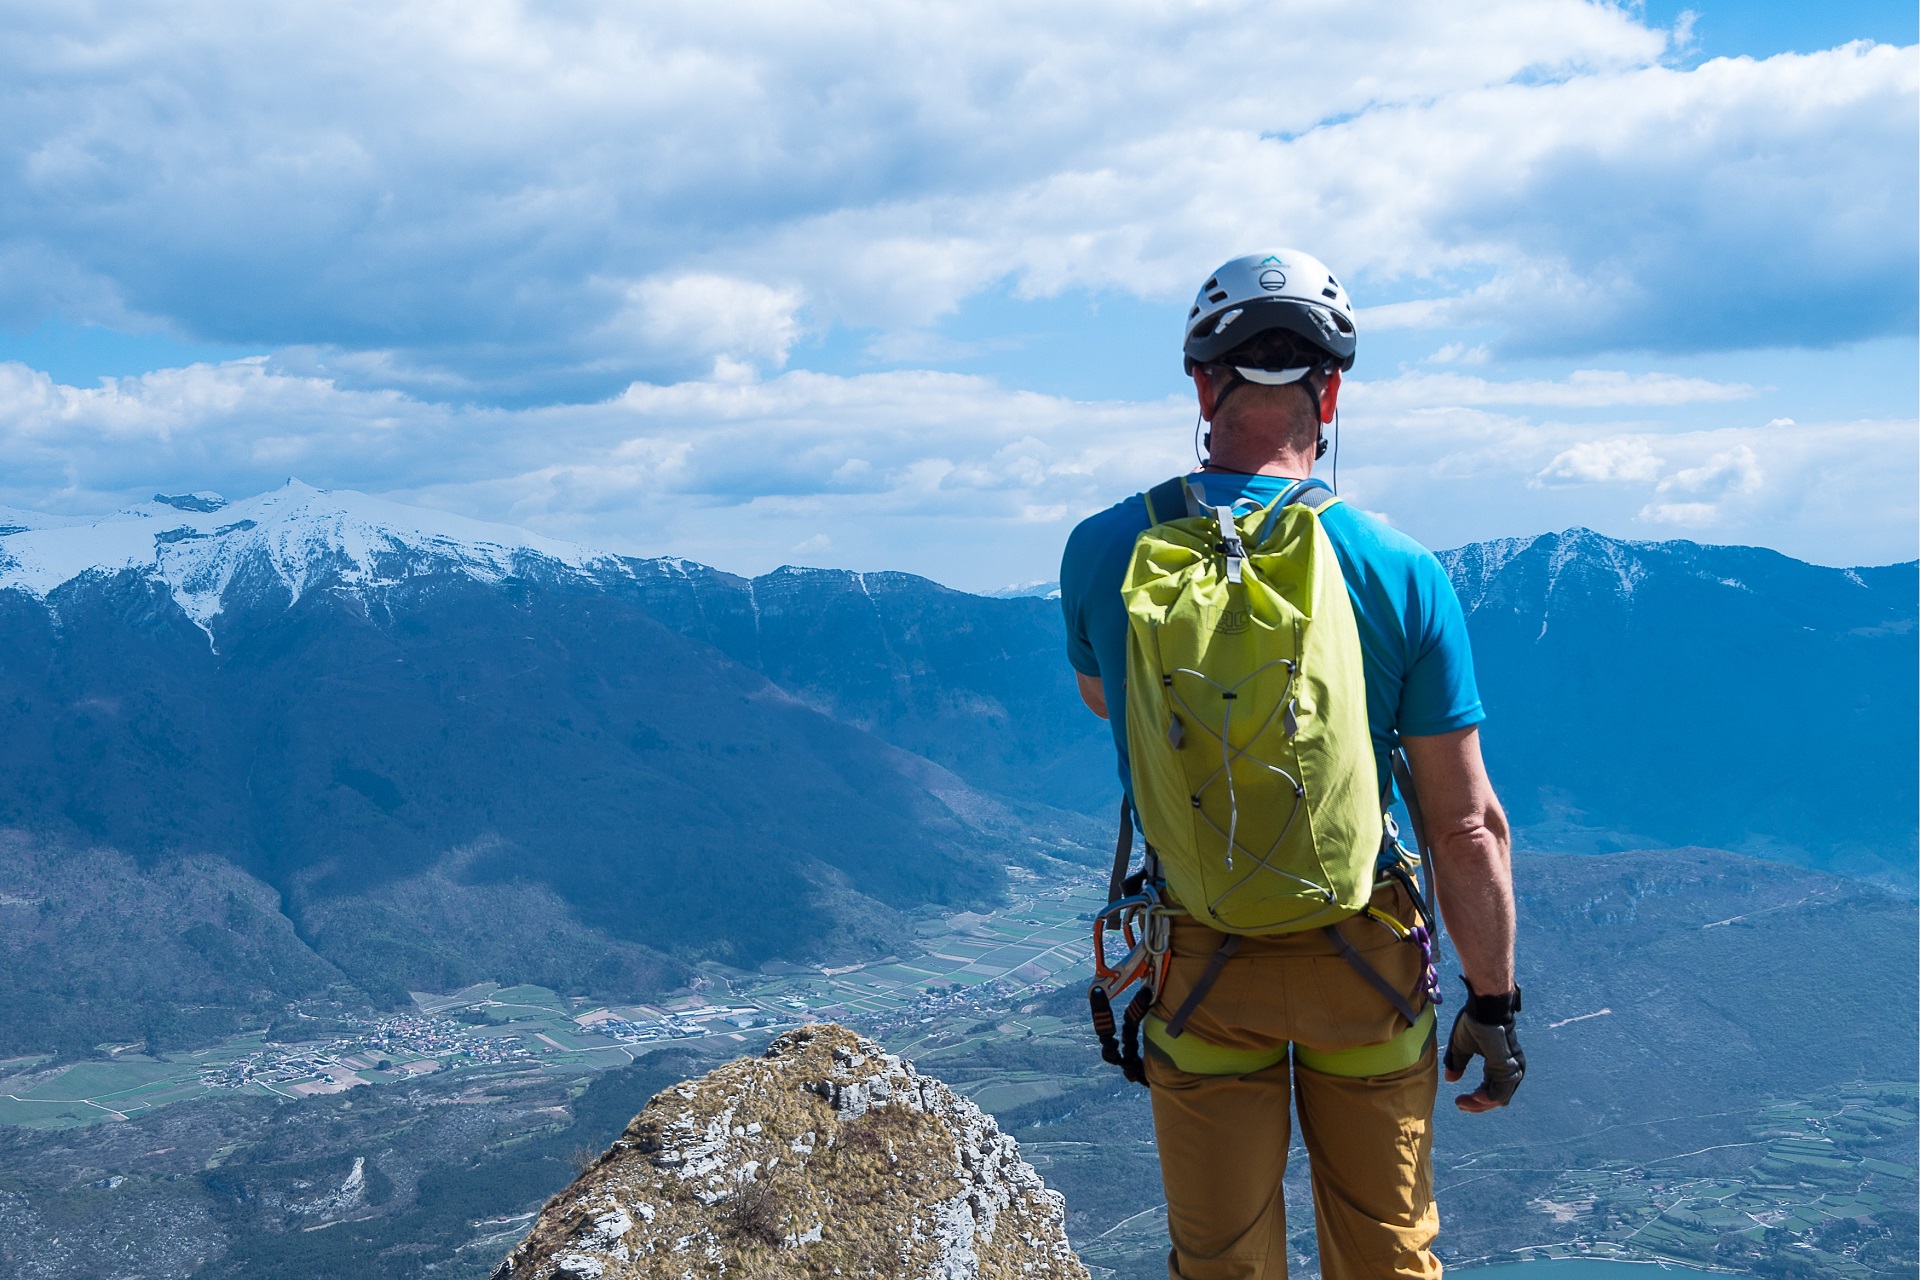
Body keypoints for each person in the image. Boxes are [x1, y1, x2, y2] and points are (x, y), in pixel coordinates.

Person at [1058, 249, 1524, 1280]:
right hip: (1365, 970)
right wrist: (1494, 1002)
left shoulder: (1102, 551)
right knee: (1387, 1255)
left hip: (1203, 966)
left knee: (1221, 1260)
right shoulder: (1397, 566)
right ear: (1334, 389)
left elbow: (1112, 708)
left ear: (1201, 384)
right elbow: (1466, 824)